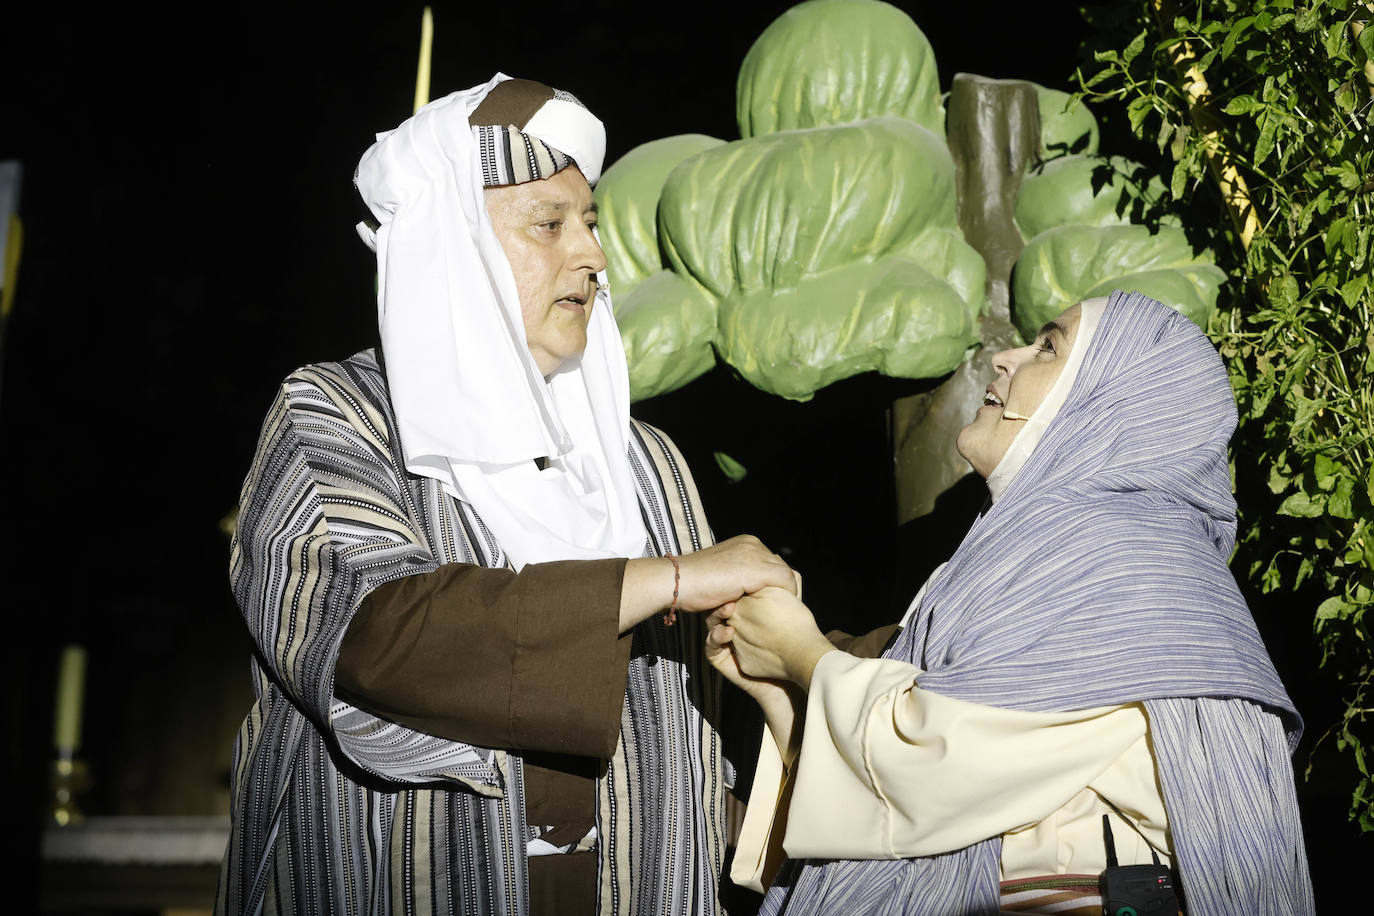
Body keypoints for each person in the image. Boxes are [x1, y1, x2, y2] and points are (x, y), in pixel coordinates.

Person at [217, 74, 795, 916]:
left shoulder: (650, 464)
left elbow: (712, 725)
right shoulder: (339, 417)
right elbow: (381, 638)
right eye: (549, 225)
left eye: (591, 224)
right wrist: (665, 581)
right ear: (454, 246)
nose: (593, 255)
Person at [707, 290, 1314, 915]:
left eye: (1048, 347)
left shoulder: (1127, 563)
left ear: (1111, 403)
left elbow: (941, 765)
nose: (1004, 358)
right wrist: (787, 691)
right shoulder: (1056, 553)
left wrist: (803, 658)